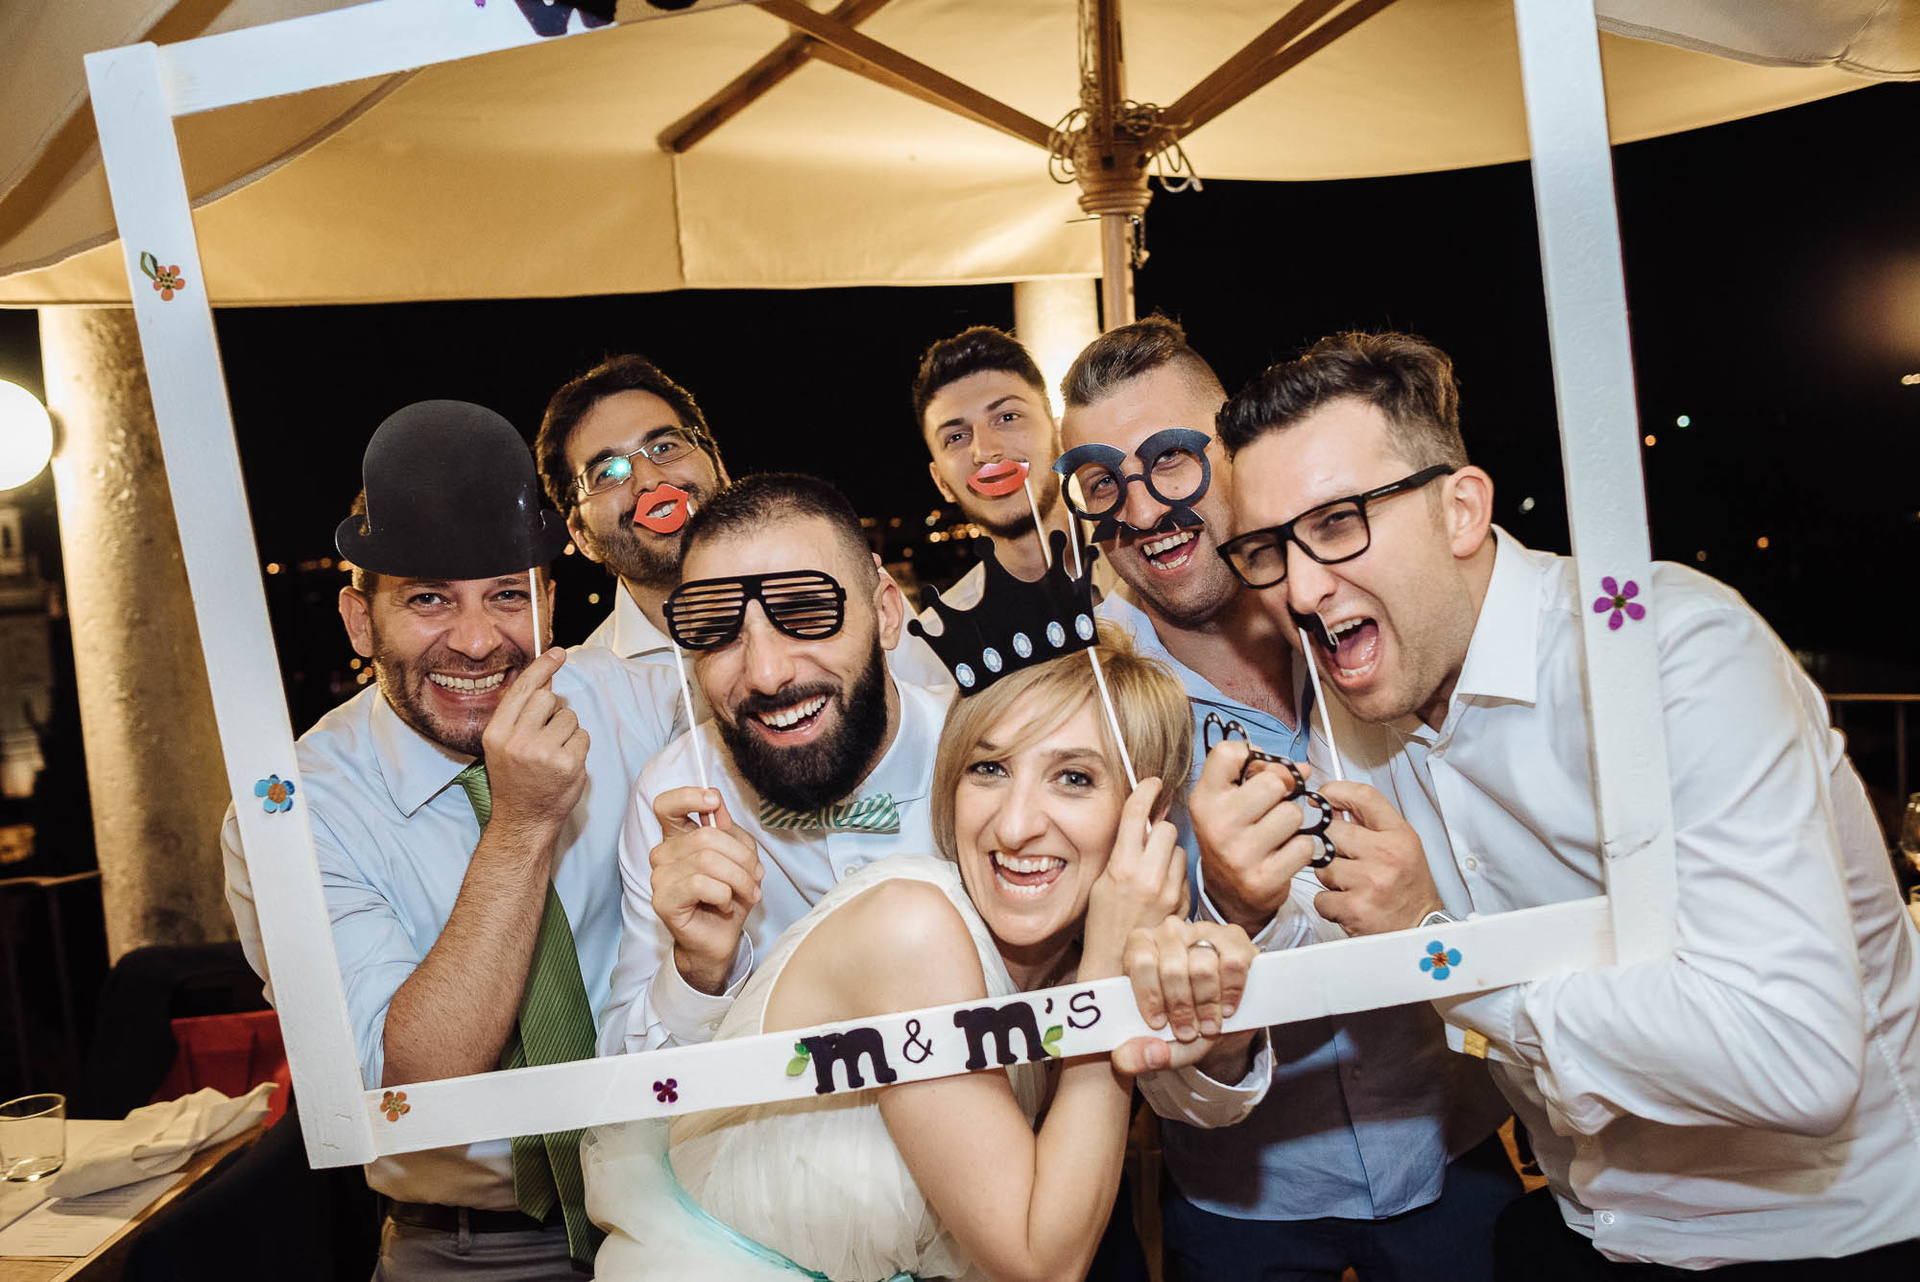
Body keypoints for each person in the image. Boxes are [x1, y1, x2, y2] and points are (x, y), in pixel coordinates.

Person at [1215, 329, 1920, 1277]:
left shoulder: (1669, 656)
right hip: (1590, 1226)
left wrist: (1441, 946)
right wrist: (1239, 909)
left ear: (1461, 510)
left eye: (1339, 523)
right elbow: (1326, 937)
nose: (1300, 588)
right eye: (1268, 549)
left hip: (1828, 1237)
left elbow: (1797, 1058)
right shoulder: (1358, 715)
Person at [1057, 318, 1517, 1282]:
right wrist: (1231, 910)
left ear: (1233, 452)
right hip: (1242, 1198)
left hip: (1454, 1146)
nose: (1141, 508)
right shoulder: (1093, 707)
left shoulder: (1384, 624)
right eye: (1101, 481)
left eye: (1171, 460)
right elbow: (1118, 1003)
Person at [585, 632, 1262, 1281]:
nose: (1015, 824)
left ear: (1150, 815)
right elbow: (1043, 1263)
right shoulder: (912, 930)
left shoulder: (1075, 949)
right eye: (988, 768)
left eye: (1074, 778)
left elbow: (1197, 1100)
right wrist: (1104, 987)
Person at [222, 401, 682, 1279]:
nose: (476, 643)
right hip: (469, 1248)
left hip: (682, 1205)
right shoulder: (291, 814)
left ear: (548, 602)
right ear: (361, 622)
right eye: (428, 598)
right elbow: (410, 1091)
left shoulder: (635, 703)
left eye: (507, 595)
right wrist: (524, 825)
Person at [597, 472, 956, 1055]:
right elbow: (626, 1081)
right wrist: (699, 969)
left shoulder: (990, 749)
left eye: (806, 610)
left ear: (887, 615)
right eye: (718, 629)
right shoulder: (678, 796)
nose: (766, 674)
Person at [535, 354, 730, 667]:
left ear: (719, 470)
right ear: (582, 537)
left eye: (664, 447)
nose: (649, 480)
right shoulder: (580, 690)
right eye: (608, 473)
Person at [910, 326, 1111, 602]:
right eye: (956, 437)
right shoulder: (944, 627)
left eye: (1007, 417)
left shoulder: (1146, 569)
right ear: (940, 482)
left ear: (1058, 434)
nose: (985, 451)